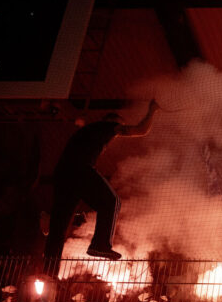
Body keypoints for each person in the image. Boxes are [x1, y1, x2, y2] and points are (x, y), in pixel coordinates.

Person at [44, 100, 160, 272]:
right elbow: (140, 130)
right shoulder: (107, 126)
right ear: (114, 122)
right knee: (111, 201)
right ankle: (100, 244)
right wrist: (152, 110)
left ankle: (49, 272)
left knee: (58, 228)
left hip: (62, 175)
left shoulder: (87, 131)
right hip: (80, 169)